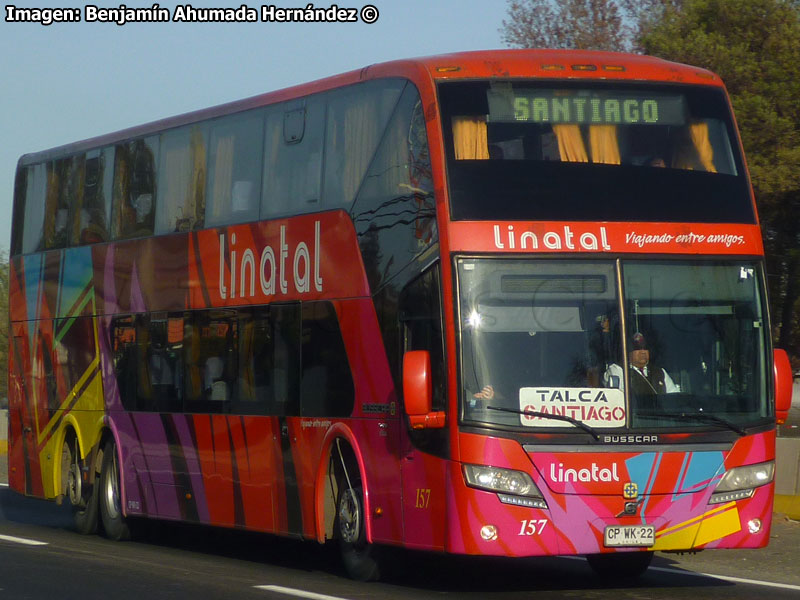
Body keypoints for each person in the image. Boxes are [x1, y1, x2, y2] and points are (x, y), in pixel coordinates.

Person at [604, 332, 679, 395]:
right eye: (637, 349)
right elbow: (618, 395)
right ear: (628, 353)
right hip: (633, 412)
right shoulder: (618, 369)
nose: (643, 352)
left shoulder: (660, 372)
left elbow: (674, 395)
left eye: (645, 349)